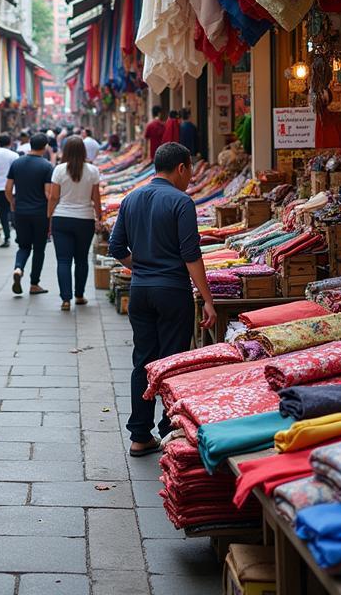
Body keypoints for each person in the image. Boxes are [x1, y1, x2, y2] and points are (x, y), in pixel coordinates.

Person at [108, 142, 217, 457]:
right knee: (172, 362)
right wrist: (207, 298)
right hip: (172, 291)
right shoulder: (182, 202)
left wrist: (140, 267)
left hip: (140, 291)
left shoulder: (131, 199)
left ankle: (139, 435)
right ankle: (169, 430)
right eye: (190, 172)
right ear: (181, 168)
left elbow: (116, 247)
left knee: (143, 361)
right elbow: (190, 254)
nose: (191, 179)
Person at [47, 136, 101, 311]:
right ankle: (79, 295)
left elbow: (54, 197)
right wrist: (99, 217)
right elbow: (96, 198)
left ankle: (65, 300)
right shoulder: (93, 171)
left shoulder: (59, 170)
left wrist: (49, 216)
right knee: (81, 260)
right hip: (85, 219)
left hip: (62, 218)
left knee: (63, 261)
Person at [5, 132, 54, 297]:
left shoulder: (17, 163)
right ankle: (34, 284)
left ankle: (18, 268)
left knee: (23, 246)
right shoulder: (47, 166)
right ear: (45, 147)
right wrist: (51, 212)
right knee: (39, 248)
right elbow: (48, 193)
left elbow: (8, 188)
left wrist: (12, 202)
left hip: (21, 212)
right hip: (40, 213)